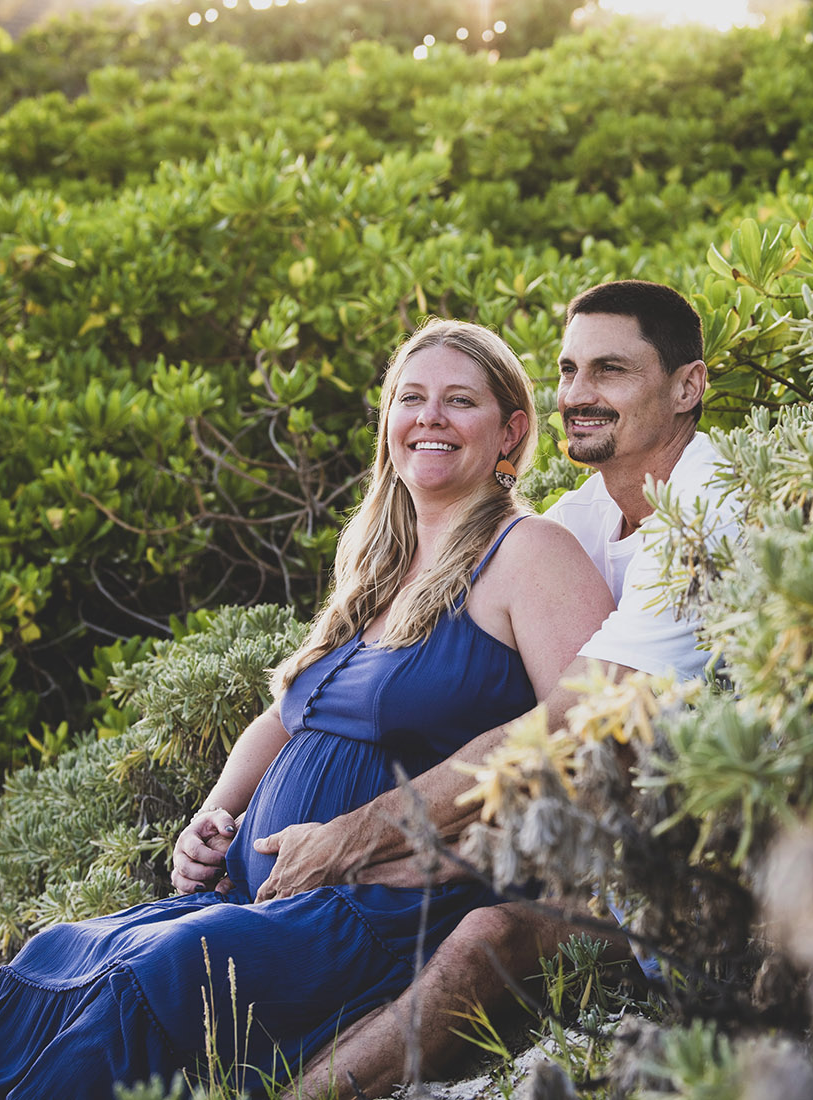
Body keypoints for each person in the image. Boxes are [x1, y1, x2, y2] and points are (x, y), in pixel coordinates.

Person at [0, 319, 616, 1099]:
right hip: (265, 894)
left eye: (459, 401)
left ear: (511, 429)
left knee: (153, 976)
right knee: (60, 951)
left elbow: (584, 719)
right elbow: (289, 714)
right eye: (411, 398)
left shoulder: (528, 550)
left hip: (387, 905)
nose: (430, 417)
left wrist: (379, 835)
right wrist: (214, 814)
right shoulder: (380, 562)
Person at [182, 280, 735, 1099]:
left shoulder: (710, 506)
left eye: (610, 371)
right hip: (618, 835)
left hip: (733, 846)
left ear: (687, 385)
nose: (579, 394)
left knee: (487, 934)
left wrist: (358, 839)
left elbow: (581, 722)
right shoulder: (584, 519)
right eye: (569, 369)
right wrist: (443, 845)